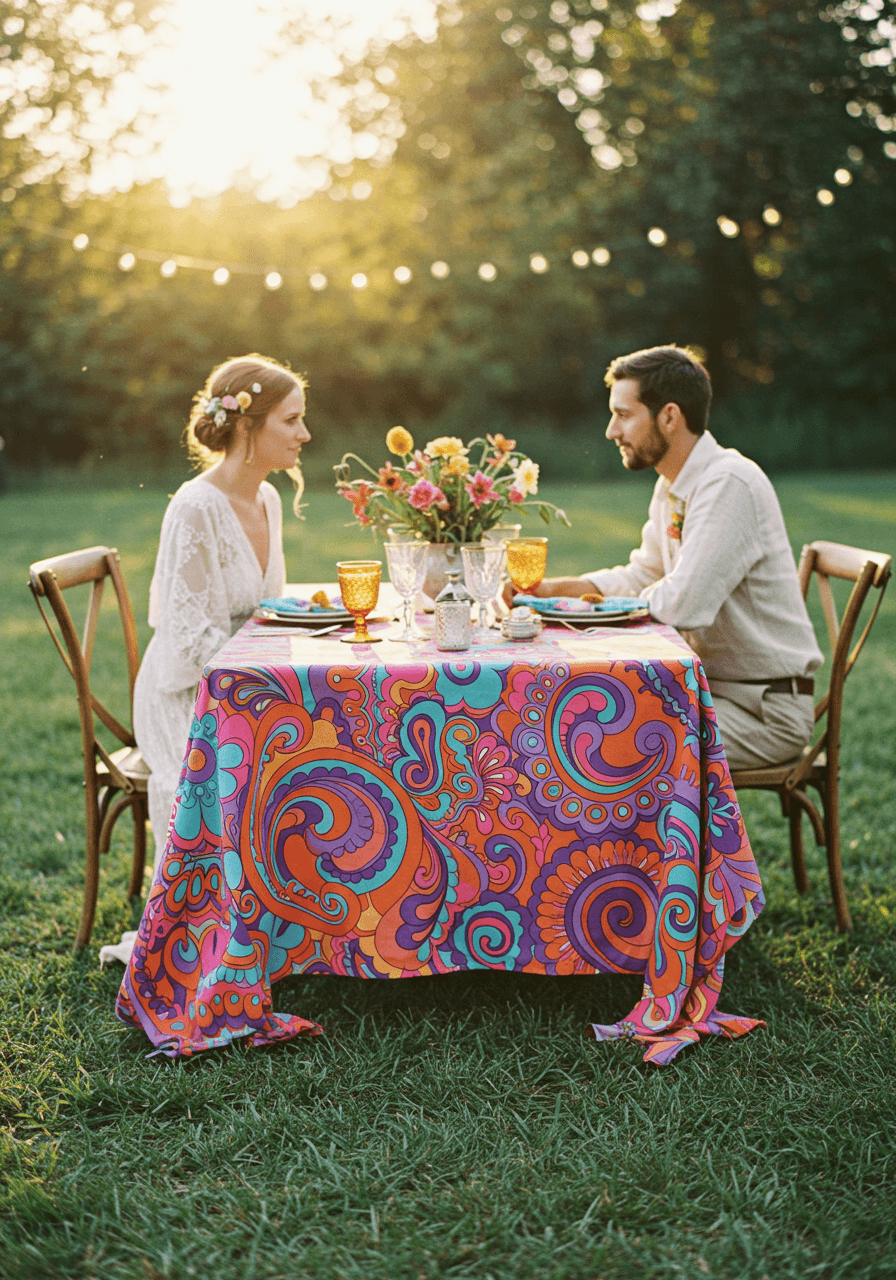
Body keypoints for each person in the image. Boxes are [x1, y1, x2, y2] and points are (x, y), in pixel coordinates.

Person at [521, 344, 823, 771]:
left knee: (613, 750)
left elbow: (683, 603)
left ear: (669, 416)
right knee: (585, 732)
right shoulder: (673, 485)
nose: (611, 431)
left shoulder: (729, 484)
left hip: (764, 711)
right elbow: (643, 573)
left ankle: (649, 842)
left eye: (623, 415)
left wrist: (598, 612)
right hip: (710, 694)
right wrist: (554, 592)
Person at [99, 354, 310, 965]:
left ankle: (303, 914)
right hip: (186, 694)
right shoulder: (195, 507)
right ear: (250, 425)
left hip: (244, 679)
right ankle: (226, 929)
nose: (304, 434)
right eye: (292, 420)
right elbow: (191, 641)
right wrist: (271, 679)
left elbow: (266, 606)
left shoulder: (267, 497)